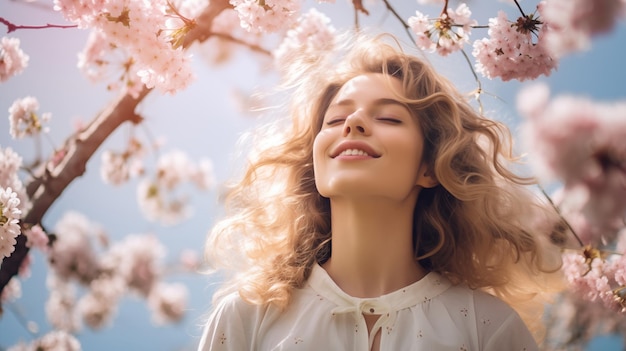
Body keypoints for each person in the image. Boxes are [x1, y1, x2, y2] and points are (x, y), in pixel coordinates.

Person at [198, 31, 563, 351]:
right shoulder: (246, 318)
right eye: (336, 119)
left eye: (388, 117)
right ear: (314, 164)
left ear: (430, 167)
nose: (353, 123)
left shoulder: (488, 327)